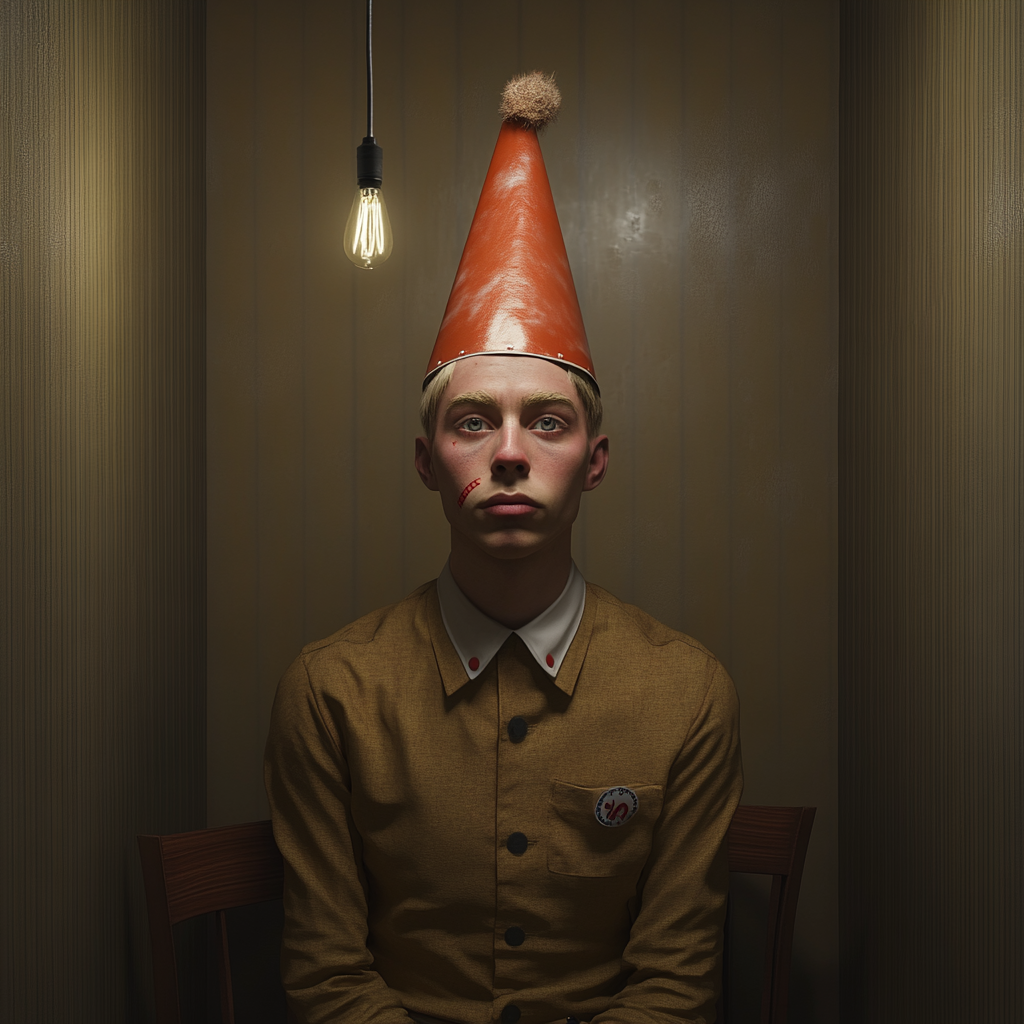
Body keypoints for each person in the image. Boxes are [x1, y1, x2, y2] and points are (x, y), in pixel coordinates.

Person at [265, 72, 742, 1024]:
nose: (512, 455)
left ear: (594, 462)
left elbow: (676, 987)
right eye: (474, 422)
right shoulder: (332, 692)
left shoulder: (688, 694)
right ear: (426, 462)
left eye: (549, 424)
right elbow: (327, 979)